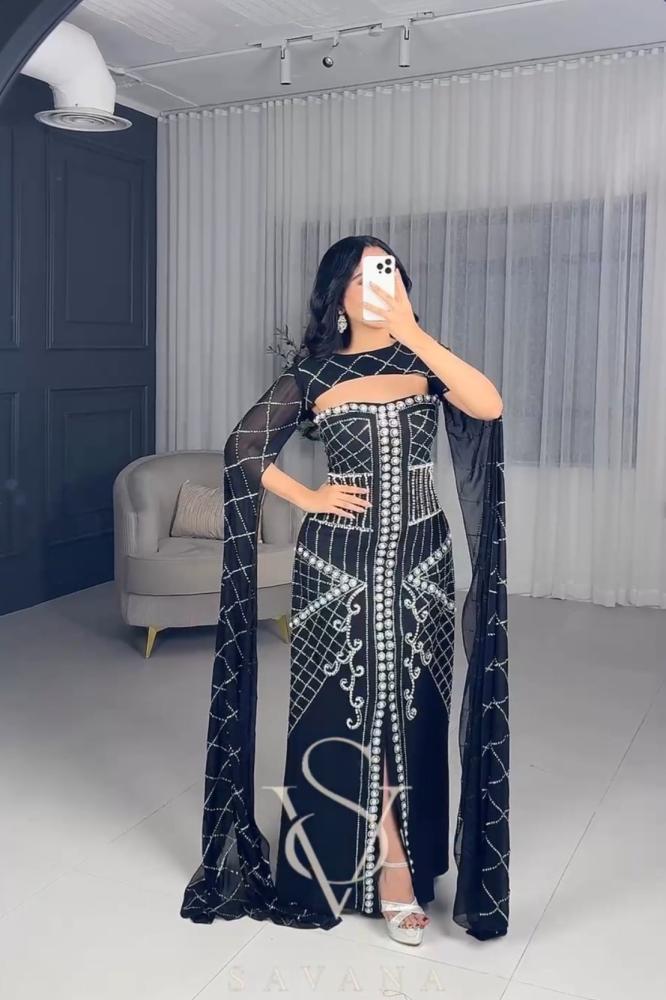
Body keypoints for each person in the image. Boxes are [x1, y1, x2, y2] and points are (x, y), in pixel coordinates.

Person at [180, 236, 510, 945]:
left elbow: (487, 405)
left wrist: (412, 331)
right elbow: (243, 448)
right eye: (360, 279)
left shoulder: (425, 362)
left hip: (422, 563)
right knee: (342, 712)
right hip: (336, 567)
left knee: (414, 715)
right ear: (336, 297)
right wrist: (310, 496)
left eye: (386, 273)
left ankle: (401, 861)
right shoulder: (315, 373)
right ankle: (386, 872)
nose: (375, 288)